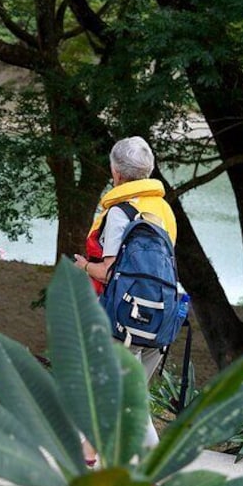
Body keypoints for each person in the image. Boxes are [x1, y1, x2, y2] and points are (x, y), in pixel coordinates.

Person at [73, 136, 177, 459]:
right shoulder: (164, 209)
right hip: (160, 319)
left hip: (124, 322)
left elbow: (109, 272)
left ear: (115, 173)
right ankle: (88, 453)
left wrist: (83, 266)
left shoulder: (120, 212)